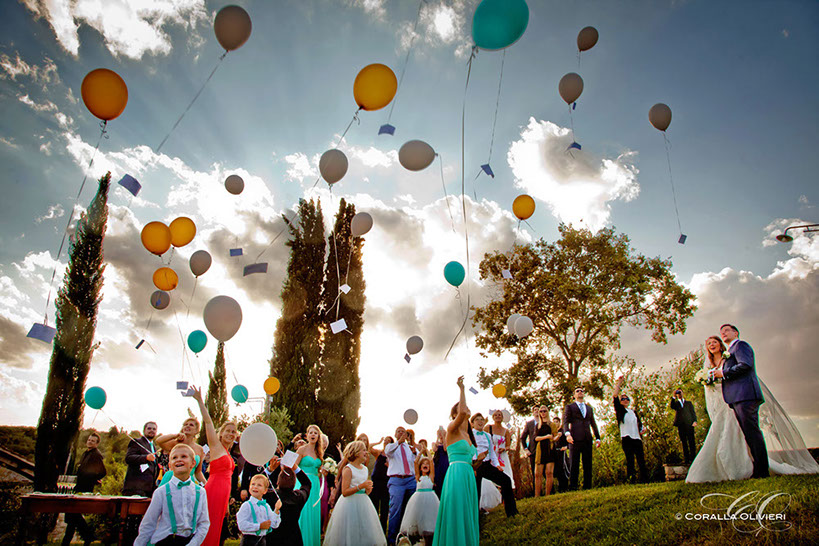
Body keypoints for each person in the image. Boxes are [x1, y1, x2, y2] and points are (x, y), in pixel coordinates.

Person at [686, 333, 819, 483]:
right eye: (709, 343)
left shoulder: (728, 358)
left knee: (739, 432)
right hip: (720, 401)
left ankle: (747, 466)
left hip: (735, 398)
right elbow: (709, 386)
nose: (711, 344)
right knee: (720, 431)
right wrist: (707, 381)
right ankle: (718, 469)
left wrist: (721, 375)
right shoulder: (708, 364)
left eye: (714, 341)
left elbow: (738, 372)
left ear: (720, 344)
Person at [432, 376, 478, 546]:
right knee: (457, 510)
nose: (466, 409)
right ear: (454, 414)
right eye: (461, 407)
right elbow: (463, 412)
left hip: (468, 475)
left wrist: (478, 461)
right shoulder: (452, 428)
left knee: (468, 511)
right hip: (456, 474)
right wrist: (462, 389)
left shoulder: (468, 435)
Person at [189, 387, 238, 546]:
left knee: (216, 527)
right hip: (214, 490)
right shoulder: (216, 446)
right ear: (221, 433)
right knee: (207, 527)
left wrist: (227, 504)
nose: (231, 434)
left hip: (223, 494)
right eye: (228, 431)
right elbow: (208, 422)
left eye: (234, 431)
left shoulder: (228, 453)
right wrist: (200, 401)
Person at [135, 443, 210, 546]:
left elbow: (204, 523)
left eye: (184, 456)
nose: (179, 459)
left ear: (193, 463)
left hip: (189, 541)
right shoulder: (161, 492)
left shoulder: (200, 492)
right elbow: (148, 524)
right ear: (170, 465)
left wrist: (193, 544)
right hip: (164, 541)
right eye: (174, 457)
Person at [323, 440, 386, 545]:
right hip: (349, 504)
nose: (366, 453)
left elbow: (364, 490)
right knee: (350, 527)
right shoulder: (348, 469)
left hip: (363, 502)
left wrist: (367, 490)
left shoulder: (365, 469)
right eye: (364, 451)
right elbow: (345, 492)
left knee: (363, 527)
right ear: (356, 452)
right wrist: (361, 486)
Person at [63, 431, 107, 546]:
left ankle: (85, 536)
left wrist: (93, 479)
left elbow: (102, 471)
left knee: (74, 514)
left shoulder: (96, 454)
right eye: (89, 440)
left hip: (85, 488)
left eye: (93, 441)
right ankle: (82, 538)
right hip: (79, 486)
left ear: (97, 444)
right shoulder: (85, 453)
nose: (90, 442)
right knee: (73, 515)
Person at [471, 413, 517, 517]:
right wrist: (473, 462)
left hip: (486, 465)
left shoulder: (487, 435)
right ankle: (475, 517)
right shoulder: (470, 435)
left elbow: (492, 452)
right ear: (473, 423)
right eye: (477, 420)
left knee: (506, 480)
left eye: (482, 419)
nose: (480, 422)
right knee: (476, 491)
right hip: (475, 466)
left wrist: (497, 465)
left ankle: (512, 513)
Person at [122, 422, 160, 545]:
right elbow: (129, 458)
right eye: (149, 428)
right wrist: (145, 458)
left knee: (140, 523)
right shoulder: (136, 442)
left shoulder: (154, 446)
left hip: (148, 489)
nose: (152, 431)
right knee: (131, 522)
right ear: (144, 430)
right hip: (135, 488)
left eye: (154, 429)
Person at [563, 387, 601, 490]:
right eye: (577, 391)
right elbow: (565, 422)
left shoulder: (589, 408)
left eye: (582, 391)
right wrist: (567, 434)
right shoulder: (570, 407)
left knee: (588, 464)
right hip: (574, 438)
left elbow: (593, 423)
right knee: (574, 464)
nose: (580, 392)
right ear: (574, 395)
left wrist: (598, 437)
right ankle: (573, 486)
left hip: (587, 439)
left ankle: (587, 486)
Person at [384, 426, 417, 545]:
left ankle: (410, 536)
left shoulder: (409, 448)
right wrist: (399, 442)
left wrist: (415, 452)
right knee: (395, 509)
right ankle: (392, 539)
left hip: (410, 480)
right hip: (397, 481)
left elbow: (417, 459)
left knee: (411, 508)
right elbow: (387, 452)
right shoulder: (391, 447)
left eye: (404, 432)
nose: (402, 433)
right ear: (395, 434)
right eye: (399, 431)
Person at [613, 377, 648, 483]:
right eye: (623, 399)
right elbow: (614, 396)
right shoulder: (620, 410)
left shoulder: (633, 412)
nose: (625, 400)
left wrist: (642, 429)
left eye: (627, 399)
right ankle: (631, 479)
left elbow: (639, 424)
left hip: (637, 438)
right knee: (630, 459)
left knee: (641, 459)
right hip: (626, 437)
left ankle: (644, 479)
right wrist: (619, 383)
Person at [266, 465, 311, 545]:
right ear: (294, 484)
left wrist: (269, 470)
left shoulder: (270, 495)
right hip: (294, 538)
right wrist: (296, 468)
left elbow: (256, 485)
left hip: (273, 539)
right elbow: (307, 483)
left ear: (277, 482)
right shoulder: (298, 497)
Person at [399, 456, 439, 545]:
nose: (426, 465)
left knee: (429, 519)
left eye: (427, 464)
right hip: (418, 500)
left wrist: (427, 454)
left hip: (430, 500)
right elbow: (416, 462)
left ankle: (429, 540)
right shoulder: (418, 477)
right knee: (417, 518)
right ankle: (417, 540)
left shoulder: (431, 477)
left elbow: (431, 461)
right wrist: (421, 452)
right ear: (420, 468)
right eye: (424, 464)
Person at [295, 424, 324, 546]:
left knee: (313, 512)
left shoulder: (319, 452)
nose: (313, 434)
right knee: (304, 511)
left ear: (318, 436)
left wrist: (323, 471)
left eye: (315, 433)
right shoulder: (301, 449)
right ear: (307, 436)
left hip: (315, 484)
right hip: (303, 482)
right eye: (311, 432)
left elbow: (318, 469)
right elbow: (293, 466)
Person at [156, 416, 207, 485]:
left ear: (196, 430)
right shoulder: (175, 443)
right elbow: (159, 441)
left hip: (188, 481)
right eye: (185, 424)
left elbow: (198, 472)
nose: (187, 426)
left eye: (191, 425)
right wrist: (175, 436)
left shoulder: (199, 449)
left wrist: (206, 484)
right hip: (172, 479)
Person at [236, 474, 281, 545]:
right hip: (248, 540)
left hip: (262, 540)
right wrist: (259, 526)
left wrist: (276, 510)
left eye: (259, 485)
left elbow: (274, 524)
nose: (255, 487)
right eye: (253, 484)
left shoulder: (266, 506)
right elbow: (241, 525)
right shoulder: (246, 505)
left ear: (265, 491)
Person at [484, 410, 514, 489]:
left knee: (504, 475)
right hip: (490, 455)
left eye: (499, 415)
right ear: (493, 417)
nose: (498, 416)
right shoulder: (488, 427)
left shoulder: (506, 431)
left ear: (502, 418)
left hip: (501, 457)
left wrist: (504, 449)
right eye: (496, 415)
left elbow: (508, 446)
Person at [533, 406, 557, 497]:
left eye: (545, 411)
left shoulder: (552, 424)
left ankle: (548, 494)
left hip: (550, 449)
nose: (543, 413)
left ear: (547, 412)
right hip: (540, 450)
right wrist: (546, 436)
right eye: (541, 411)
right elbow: (536, 438)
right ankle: (537, 495)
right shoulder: (537, 425)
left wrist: (556, 437)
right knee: (537, 474)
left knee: (549, 473)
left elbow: (554, 437)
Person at [369, 436, 392, 533]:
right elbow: (369, 447)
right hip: (376, 482)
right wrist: (378, 442)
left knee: (384, 508)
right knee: (374, 505)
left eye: (388, 441)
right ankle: (373, 528)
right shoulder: (379, 453)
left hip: (386, 483)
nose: (386, 442)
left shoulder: (392, 456)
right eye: (385, 441)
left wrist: (389, 465)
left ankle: (382, 530)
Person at [669, 389, 698, 464]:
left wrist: (695, 421)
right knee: (684, 442)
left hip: (689, 424)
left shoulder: (688, 403)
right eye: (678, 393)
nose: (679, 394)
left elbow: (693, 413)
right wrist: (674, 396)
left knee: (691, 441)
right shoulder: (676, 404)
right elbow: (672, 406)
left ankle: (693, 458)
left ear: (683, 393)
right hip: (681, 426)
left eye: (680, 392)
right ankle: (687, 459)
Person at [520, 405, 541, 495]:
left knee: (546, 472)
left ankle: (549, 491)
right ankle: (536, 493)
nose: (536, 411)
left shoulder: (546, 422)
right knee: (534, 472)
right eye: (535, 410)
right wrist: (526, 449)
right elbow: (522, 437)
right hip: (533, 451)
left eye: (538, 410)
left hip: (545, 450)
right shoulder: (529, 424)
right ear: (532, 412)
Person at [551, 415, 569, 493]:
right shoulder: (552, 432)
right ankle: (558, 488)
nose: (555, 423)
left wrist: (566, 447)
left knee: (563, 470)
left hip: (562, 453)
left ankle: (564, 487)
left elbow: (569, 442)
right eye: (554, 422)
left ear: (559, 423)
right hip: (554, 454)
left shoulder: (563, 431)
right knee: (556, 471)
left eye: (557, 422)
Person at [430, 428, 448, 499]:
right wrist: (438, 437)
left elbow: (445, 448)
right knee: (438, 482)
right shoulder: (435, 443)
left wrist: (444, 437)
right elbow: (434, 449)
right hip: (438, 464)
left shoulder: (447, 442)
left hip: (445, 463)